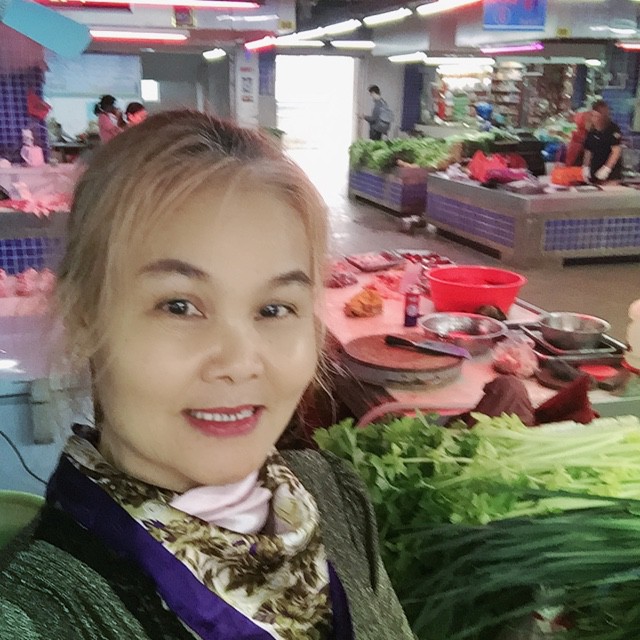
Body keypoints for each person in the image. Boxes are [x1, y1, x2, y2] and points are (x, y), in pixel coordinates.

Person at [0, 111, 414, 640]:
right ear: (84, 318)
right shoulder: (36, 616)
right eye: (179, 305)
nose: (240, 362)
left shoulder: (333, 495)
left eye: (274, 308)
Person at [582, 100, 623, 182]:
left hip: (611, 174)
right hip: (595, 170)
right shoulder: (591, 130)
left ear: (603, 117)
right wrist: (586, 167)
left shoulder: (613, 129)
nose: (594, 119)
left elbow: (616, 152)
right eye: (592, 115)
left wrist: (607, 169)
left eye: (596, 116)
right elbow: (588, 151)